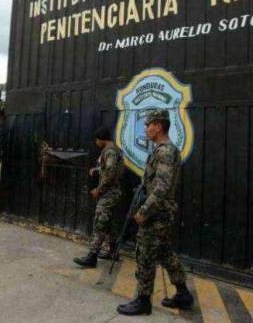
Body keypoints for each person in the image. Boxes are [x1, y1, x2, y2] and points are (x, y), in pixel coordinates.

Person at [117, 109, 193, 316]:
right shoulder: (161, 150)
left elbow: (162, 187)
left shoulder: (166, 151)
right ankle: (183, 293)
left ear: (158, 126)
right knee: (164, 252)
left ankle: (143, 301)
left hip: (156, 214)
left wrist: (144, 211)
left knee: (145, 254)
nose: (145, 128)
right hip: (160, 212)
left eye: (148, 125)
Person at [73, 126, 124, 268]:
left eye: (97, 139)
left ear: (101, 139)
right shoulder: (114, 150)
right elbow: (108, 169)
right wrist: (96, 169)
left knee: (100, 223)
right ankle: (113, 251)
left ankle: (92, 256)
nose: (96, 142)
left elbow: (111, 173)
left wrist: (99, 190)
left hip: (108, 193)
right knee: (109, 223)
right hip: (113, 193)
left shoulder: (110, 152)